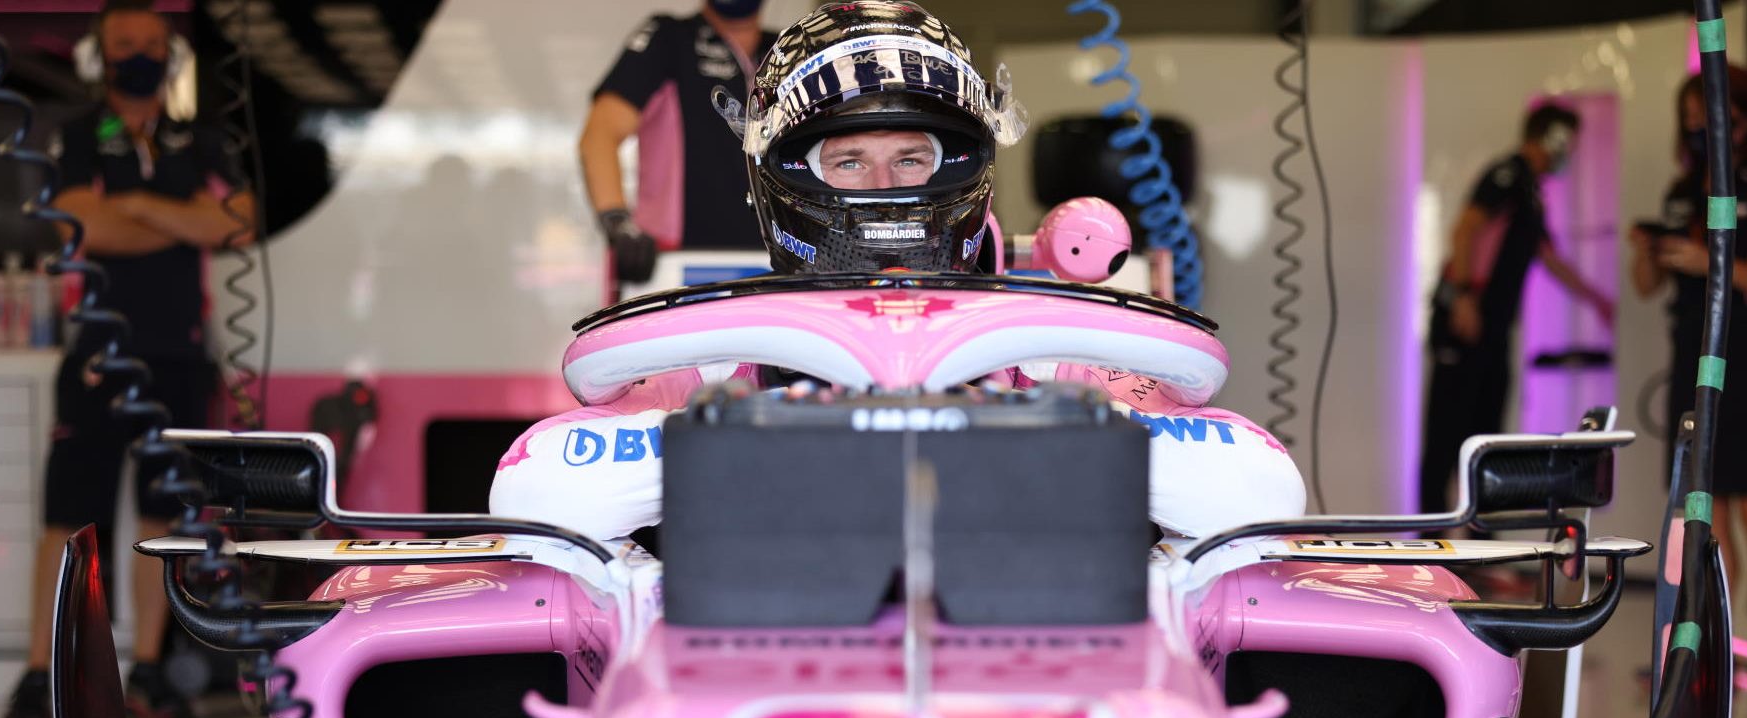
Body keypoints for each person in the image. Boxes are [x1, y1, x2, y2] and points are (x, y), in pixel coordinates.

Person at [492, 1, 1304, 543]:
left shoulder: (1049, 339)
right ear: (787, 177)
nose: (885, 187)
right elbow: (537, 493)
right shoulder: (713, 352)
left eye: (911, 156)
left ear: (961, 165)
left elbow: (1255, 488)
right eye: (848, 160)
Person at [0, 0, 252, 718]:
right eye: (124, 44)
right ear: (99, 55)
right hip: (98, 355)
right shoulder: (79, 134)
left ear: (169, 54)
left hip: (178, 353)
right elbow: (80, 225)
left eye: (151, 43)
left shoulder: (198, 138)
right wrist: (180, 220)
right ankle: (39, 676)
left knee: (160, 517)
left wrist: (137, 205)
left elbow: (237, 220)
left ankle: (148, 671)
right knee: (67, 518)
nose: (138, 54)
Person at [1630, 66, 1747, 709]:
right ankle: (1720, 656)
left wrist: (1713, 264)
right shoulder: (1683, 191)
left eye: (1712, 113)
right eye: (1691, 115)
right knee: (1705, 517)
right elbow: (1648, 288)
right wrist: (1649, 253)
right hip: (1691, 358)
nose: (1700, 125)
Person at [1418, 103, 1616, 516]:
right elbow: (1466, 229)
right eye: (1568, 142)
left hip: (1493, 332)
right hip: (1464, 325)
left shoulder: (1530, 192)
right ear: (1552, 138)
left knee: (1485, 441)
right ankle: (1431, 546)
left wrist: (1597, 299)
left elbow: (1549, 257)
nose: (1571, 152)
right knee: (1444, 440)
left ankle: (1479, 548)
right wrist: (1465, 296)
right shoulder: (1505, 177)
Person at [578, 1, 773, 286]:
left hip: (777, 261)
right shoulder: (669, 38)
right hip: (674, 263)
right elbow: (599, 135)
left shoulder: (785, 47)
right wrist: (618, 223)